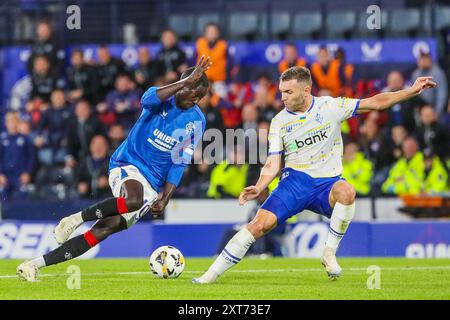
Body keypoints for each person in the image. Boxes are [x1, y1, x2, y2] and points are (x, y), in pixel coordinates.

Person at [193, 66, 436, 284]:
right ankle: (209, 276)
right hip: (294, 183)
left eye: (288, 92)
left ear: (306, 90)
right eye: (281, 92)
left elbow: (376, 102)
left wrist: (411, 91)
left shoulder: (330, 106)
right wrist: (259, 186)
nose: (283, 97)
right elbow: (272, 162)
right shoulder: (279, 122)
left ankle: (329, 252)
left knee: (347, 191)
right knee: (257, 226)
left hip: (327, 184)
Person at [16, 56, 212, 282]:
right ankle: (75, 219)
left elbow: (180, 160)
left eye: (201, 96)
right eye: (194, 92)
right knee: (133, 199)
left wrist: (166, 195)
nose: (197, 99)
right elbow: (146, 99)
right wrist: (184, 82)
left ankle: (33, 265)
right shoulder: (161, 98)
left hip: (153, 183)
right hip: (128, 163)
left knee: (101, 231)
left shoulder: (197, 121)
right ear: (183, 86)